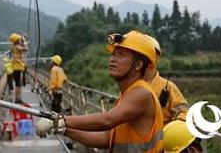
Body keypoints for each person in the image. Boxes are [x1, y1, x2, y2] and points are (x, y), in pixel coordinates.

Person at [35, 31, 163, 153]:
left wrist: (62, 120)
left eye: (121, 55)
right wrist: (64, 129)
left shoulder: (141, 93)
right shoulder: (128, 94)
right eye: (113, 54)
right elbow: (106, 139)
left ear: (138, 65)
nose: (112, 59)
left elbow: (107, 120)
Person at [139, 32, 189, 124]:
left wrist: (174, 127)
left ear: (157, 58)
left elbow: (184, 112)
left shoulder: (169, 87)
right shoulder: (129, 85)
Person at [9, 33, 27, 103]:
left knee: (18, 84)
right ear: (16, 41)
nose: (20, 40)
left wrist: (23, 39)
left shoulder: (14, 46)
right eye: (19, 39)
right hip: (18, 67)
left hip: (16, 67)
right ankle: (17, 98)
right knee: (18, 84)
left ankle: (18, 98)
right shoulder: (17, 47)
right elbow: (25, 49)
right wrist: (24, 42)